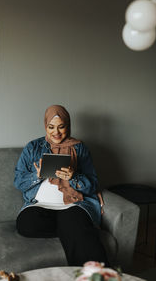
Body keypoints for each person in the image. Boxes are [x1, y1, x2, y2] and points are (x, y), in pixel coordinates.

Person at [14, 105, 108, 266]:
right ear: (45, 126)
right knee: (26, 224)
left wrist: (73, 177)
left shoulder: (80, 148)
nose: (56, 132)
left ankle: (100, 276)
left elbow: (92, 184)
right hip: (40, 205)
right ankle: (74, 229)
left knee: (72, 219)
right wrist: (36, 176)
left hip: (72, 205)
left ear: (68, 126)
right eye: (51, 127)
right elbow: (18, 182)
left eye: (61, 126)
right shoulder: (32, 147)